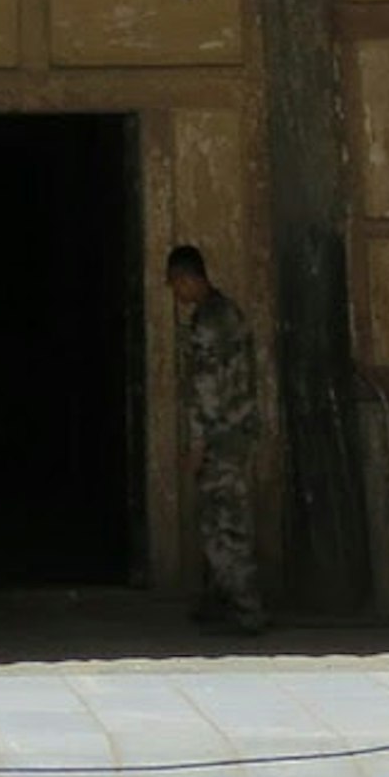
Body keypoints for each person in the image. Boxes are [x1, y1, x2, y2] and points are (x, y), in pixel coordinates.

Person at [163, 243, 264, 630]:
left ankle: (244, 608)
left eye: (176, 285)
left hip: (221, 437)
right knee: (224, 519)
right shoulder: (230, 312)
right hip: (237, 431)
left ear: (188, 279)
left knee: (224, 525)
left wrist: (197, 444)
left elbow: (205, 389)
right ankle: (223, 599)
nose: (177, 294)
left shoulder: (207, 323)